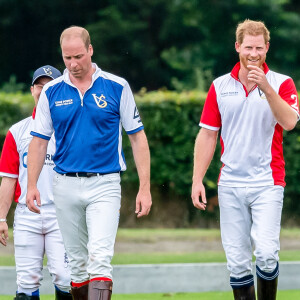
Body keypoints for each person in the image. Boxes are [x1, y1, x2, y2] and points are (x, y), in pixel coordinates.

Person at [26, 26, 152, 300]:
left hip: (104, 183)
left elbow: (137, 138)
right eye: (67, 58)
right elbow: (39, 141)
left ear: (90, 50)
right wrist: (32, 184)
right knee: (78, 265)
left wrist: (145, 187)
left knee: (100, 258)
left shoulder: (117, 87)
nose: (73, 64)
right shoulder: (51, 92)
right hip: (64, 185)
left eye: (79, 57)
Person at [191, 19, 299, 300]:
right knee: (237, 261)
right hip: (230, 184)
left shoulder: (282, 83)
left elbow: (289, 122)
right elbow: (207, 135)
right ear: (237, 46)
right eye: (248, 47)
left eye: (259, 48)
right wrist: (197, 180)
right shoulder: (219, 86)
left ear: (267, 48)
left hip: (268, 182)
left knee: (266, 253)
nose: (254, 53)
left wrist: (266, 87)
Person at [0, 65, 72, 300]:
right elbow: (8, 180)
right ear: (32, 90)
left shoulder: (69, 130)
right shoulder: (17, 131)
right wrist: (1, 218)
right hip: (26, 214)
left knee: (64, 276)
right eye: (39, 85)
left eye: (49, 86)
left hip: (61, 214)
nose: (44, 90)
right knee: (27, 281)